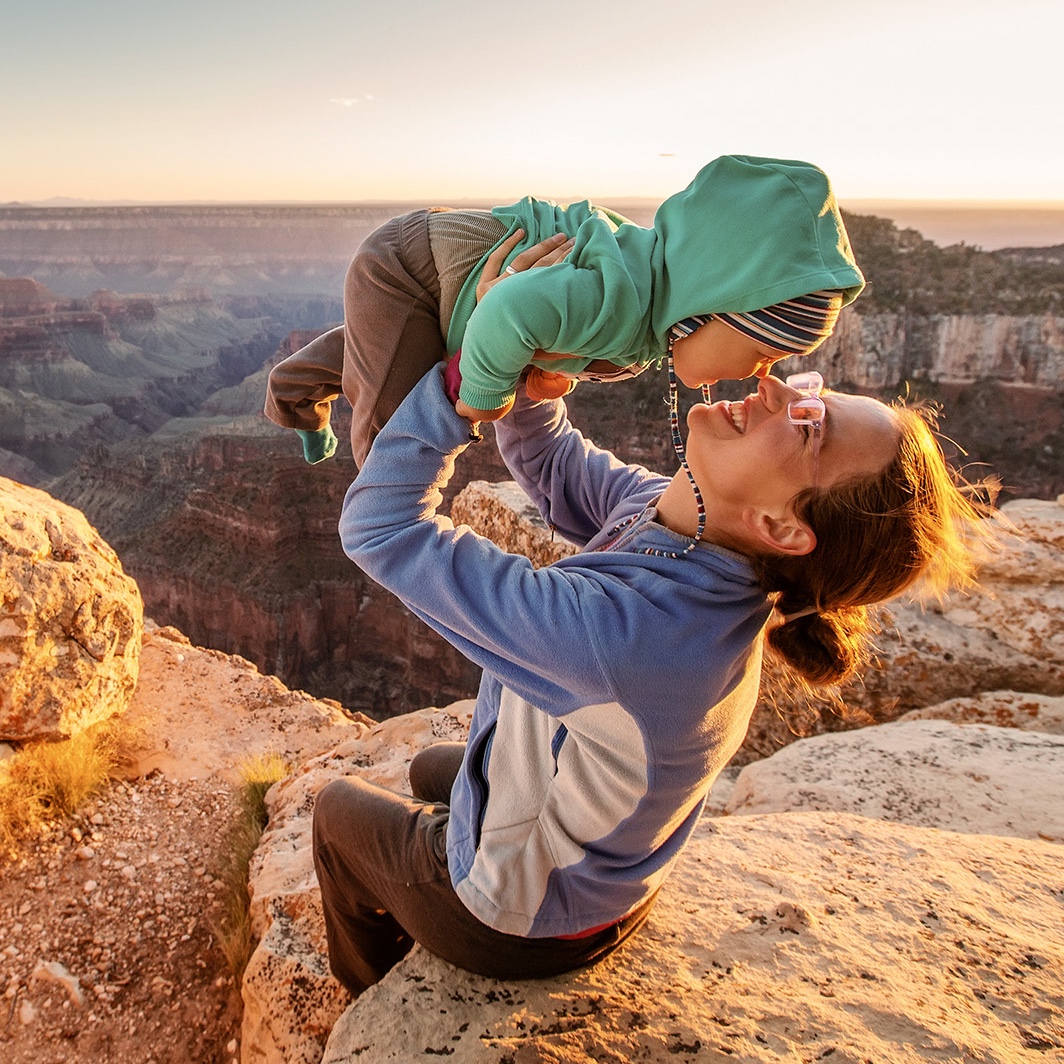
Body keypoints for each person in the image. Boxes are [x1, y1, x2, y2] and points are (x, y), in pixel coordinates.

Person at [310, 241, 991, 998]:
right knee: (426, 768)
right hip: (607, 874)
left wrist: (467, 377)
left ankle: (363, 993)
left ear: (783, 526)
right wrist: (522, 338)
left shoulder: (637, 641)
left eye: (806, 428)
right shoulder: (695, 527)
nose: (771, 389)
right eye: (812, 391)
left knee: (337, 814)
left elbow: (382, 529)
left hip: (521, 921)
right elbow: (550, 456)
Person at [265, 154, 865, 467]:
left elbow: (553, 331)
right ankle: (375, 504)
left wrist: (556, 371)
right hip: (409, 270)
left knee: (375, 352)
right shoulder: (620, 303)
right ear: (716, 307)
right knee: (395, 426)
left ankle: (291, 393)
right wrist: (484, 398)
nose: (763, 372)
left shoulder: (653, 303)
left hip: (438, 273)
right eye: (766, 349)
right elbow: (509, 316)